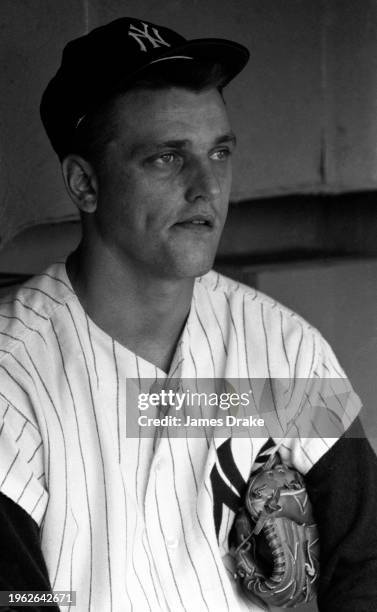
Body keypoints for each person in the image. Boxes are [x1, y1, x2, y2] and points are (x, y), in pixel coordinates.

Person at [0, 16, 376, 612]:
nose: (208, 187)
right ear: (84, 183)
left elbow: (367, 563)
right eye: (167, 158)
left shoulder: (285, 346)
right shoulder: (13, 371)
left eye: (219, 152)